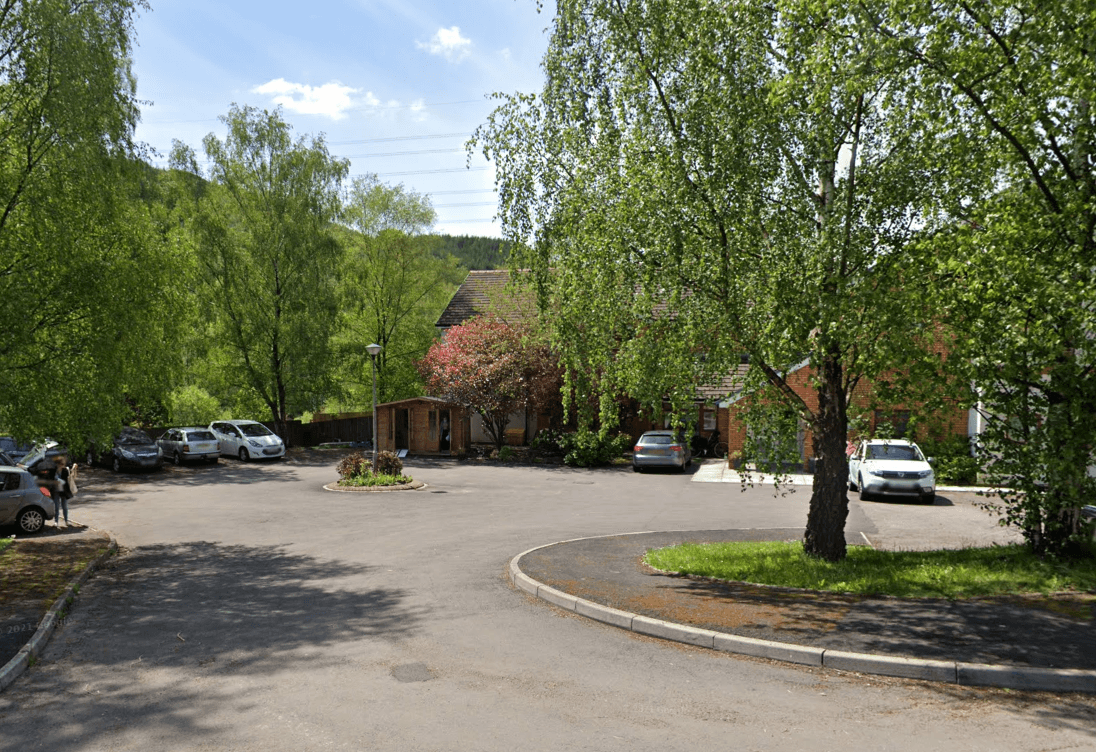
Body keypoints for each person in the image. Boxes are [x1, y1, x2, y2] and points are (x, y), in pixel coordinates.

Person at [53, 455, 75, 527]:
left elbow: (69, 478)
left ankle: (66, 520)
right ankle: (56, 521)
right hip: (56, 490)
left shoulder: (65, 470)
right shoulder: (54, 470)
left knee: (65, 506)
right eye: (60, 464)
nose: (62, 466)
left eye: (63, 464)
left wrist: (73, 469)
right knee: (56, 507)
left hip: (63, 491)